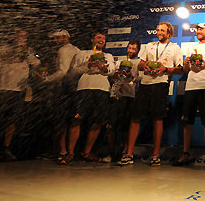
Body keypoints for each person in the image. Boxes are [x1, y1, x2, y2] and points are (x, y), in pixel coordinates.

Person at [126, 22, 183, 166]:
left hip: (161, 84)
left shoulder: (175, 48)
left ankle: (155, 155)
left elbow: (180, 69)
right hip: (145, 84)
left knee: (158, 119)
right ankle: (128, 154)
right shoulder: (150, 45)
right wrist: (144, 66)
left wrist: (165, 69)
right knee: (135, 117)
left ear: (169, 32)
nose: (159, 32)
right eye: (157, 30)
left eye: (162, 30)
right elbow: (140, 64)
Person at [0, 29, 41, 162]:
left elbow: (37, 64)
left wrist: (27, 54)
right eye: (18, 35)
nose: (21, 38)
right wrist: (7, 56)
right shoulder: (3, 48)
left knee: (12, 121)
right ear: (13, 37)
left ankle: (6, 148)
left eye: (23, 36)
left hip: (18, 90)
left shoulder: (28, 51)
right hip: (1, 88)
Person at [173, 23, 205, 168]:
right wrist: (185, 63)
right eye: (197, 29)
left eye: (201, 29)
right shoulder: (190, 47)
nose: (198, 31)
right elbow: (184, 70)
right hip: (190, 87)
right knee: (187, 121)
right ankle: (185, 153)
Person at [62, 31, 115, 164]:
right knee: (77, 119)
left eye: (103, 38)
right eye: (98, 37)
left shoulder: (108, 56)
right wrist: (88, 66)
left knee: (98, 121)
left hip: (102, 89)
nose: (101, 39)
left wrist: (104, 69)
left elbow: (112, 71)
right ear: (92, 39)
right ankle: (70, 153)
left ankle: (86, 152)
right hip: (84, 88)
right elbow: (73, 71)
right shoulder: (82, 53)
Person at [41, 29, 79, 164]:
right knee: (74, 121)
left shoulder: (63, 50)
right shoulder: (76, 49)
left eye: (56, 38)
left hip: (64, 88)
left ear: (64, 37)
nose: (54, 41)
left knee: (60, 121)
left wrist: (47, 79)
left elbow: (63, 72)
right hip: (74, 88)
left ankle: (62, 151)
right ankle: (70, 152)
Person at [102, 39, 142, 165]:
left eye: (134, 49)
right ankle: (111, 152)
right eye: (129, 48)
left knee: (125, 126)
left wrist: (130, 75)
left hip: (129, 96)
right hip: (115, 94)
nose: (131, 50)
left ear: (138, 50)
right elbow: (112, 76)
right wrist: (117, 75)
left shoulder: (140, 63)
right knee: (111, 125)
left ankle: (125, 151)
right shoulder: (119, 62)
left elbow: (139, 79)